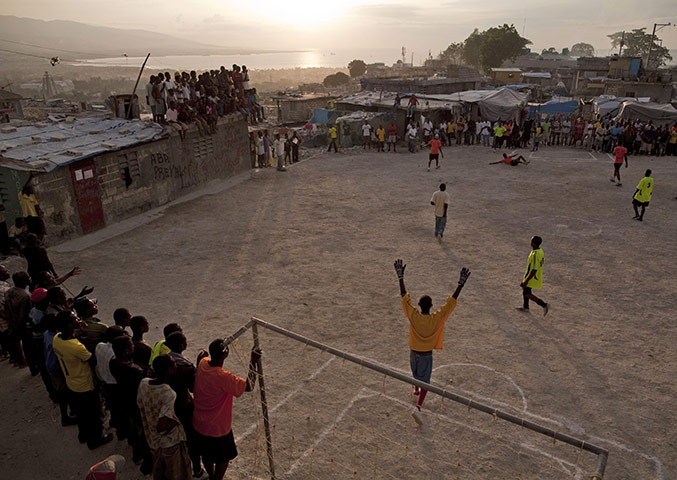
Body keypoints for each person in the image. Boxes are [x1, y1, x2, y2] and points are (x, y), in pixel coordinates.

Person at [393, 259, 471, 425]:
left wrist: (400, 277)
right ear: (431, 306)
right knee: (426, 383)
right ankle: (418, 407)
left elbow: (404, 298)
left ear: (419, 305)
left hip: (413, 353)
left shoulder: (413, 316)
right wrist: (460, 284)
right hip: (426, 355)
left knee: (415, 376)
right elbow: (450, 304)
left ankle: (415, 391)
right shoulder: (436, 319)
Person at [192, 340, 261, 480]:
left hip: (199, 422)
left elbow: (202, 358)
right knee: (223, 459)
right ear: (225, 354)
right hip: (217, 427)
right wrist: (253, 361)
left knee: (206, 454)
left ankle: (211, 475)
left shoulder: (203, 363)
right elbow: (249, 386)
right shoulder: (223, 377)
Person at [53, 310, 114, 449]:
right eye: (75, 318)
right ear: (69, 324)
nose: (78, 319)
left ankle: (83, 435)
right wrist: (85, 334)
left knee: (82, 413)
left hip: (71, 380)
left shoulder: (57, 339)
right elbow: (91, 359)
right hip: (85, 383)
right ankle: (96, 439)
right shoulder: (76, 347)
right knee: (93, 413)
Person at [137, 355, 192, 480]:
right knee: (177, 473)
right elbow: (162, 427)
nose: (176, 366)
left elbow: (140, 404)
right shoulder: (168, 393)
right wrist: (176, 421)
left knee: (159, 471)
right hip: (169, 443)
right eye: (173, 364)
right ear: (169, 370)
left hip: (152, 438)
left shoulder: (144, 383)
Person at [109, 336, 153, 474]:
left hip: (124, 399)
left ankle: (136, 453)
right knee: (143, 433)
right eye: (131, 347)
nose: (133, 347)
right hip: (136, 402)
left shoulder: (113, 362)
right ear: (126, 351)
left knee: (132, 428)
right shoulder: (134, 371)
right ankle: (147, 465)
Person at [516, 236, 549, 316]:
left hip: (532, 277)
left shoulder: (535, 255)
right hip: (533, 275)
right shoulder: (540, 251)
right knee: (525, 290)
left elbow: (534, 269)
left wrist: (526, 280)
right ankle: (526, 307)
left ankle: (543, 304)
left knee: (527, 293)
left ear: (533, 243)